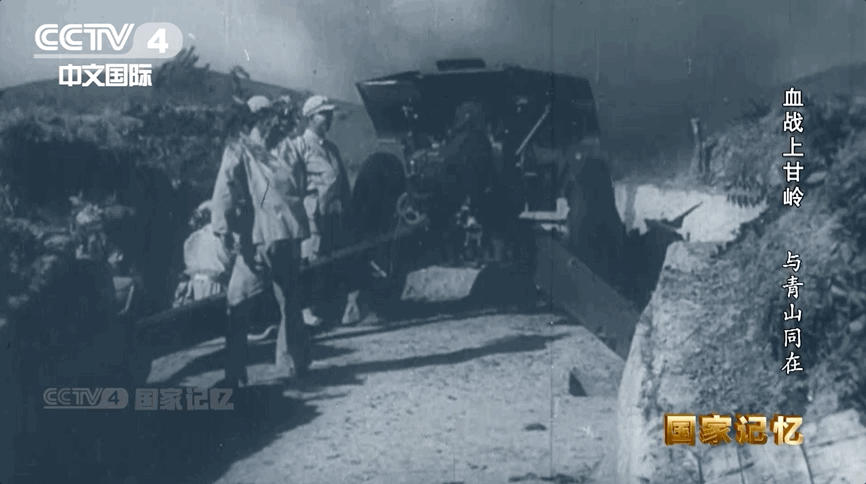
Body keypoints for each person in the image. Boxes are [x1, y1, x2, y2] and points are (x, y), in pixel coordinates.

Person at [211, 93, 311, 386]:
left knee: (237, 301)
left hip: (257, 237)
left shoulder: (239, 148)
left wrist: (222, 229)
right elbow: (296, 184)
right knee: (289, 299)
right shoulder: (282, 148)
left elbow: (224, 190)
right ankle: (294, 364)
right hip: (286, 233)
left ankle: (234, 374)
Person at [292, 94, 365, 328]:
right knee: (310, 260)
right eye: (324, 115)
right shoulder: (299, 146)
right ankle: (306, 311)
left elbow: (340, 183)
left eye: (330, 114)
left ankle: (331, 308)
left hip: (334, 212)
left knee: (333, 258)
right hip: (312, 215)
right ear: (312, 117)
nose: (329, 119)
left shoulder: (331, 148)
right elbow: (291, 183)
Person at [172, 200, 234, 307]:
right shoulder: (217, 236)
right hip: (216, 287)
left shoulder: (190, 241)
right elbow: (226, 261)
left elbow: (190, 265)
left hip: (197, 287)